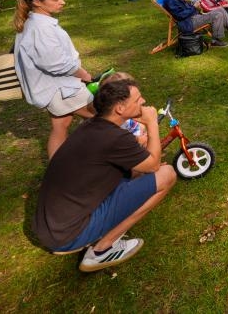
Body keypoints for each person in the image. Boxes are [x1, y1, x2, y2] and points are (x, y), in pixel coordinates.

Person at [32, 72, 176, 272]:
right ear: (119, 108)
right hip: (66, 235)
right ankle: (102, 250)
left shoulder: (93, 126)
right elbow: (153, 165)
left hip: (50, 226)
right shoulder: (115, 138)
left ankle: (98, 236)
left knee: (136, 173)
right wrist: (152, 123)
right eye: (137, 99)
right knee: (167, 174)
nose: (143, 101)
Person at [13, 0, 96, 158]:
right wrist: (84, 74)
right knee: (107, 116)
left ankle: (57, 172)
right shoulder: (41, 28)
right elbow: (55, 63)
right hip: (61, 88)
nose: (62, 2)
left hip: (54, 88)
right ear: (37, 2)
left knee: (61, 125)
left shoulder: (38, 23)